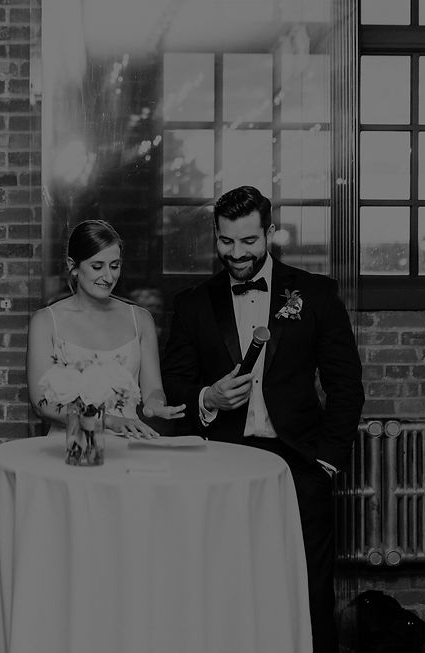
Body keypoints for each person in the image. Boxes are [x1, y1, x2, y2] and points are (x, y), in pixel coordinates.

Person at [161, 185, 365, 653]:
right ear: (216, 235)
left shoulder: (315, 294)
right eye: (226, 242)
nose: (236, 254)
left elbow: (345, 384)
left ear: (270, 233)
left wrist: (328, 462)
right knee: (223, 582)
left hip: (300, 464)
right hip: (221, 463)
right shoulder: (192, 303)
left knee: (308, 587)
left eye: (249, 241)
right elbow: (175, 383)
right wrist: (207, 397)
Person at [27, 219, 185, 439]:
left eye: (115, 266)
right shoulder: (45, 322)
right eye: (97, 266)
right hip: (70, 448)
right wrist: (107, 421)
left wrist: (155, 404)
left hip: (128, 446)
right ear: (73, 265)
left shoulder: (140, 319)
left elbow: (153, 388)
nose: (109, 277)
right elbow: (41, 404)